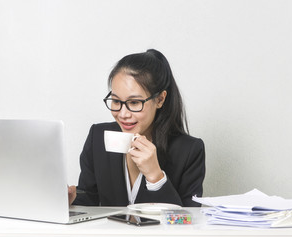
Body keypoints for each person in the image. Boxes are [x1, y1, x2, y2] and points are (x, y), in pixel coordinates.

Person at [68, 49, 205, 207]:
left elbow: (187, 221)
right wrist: (69, 201)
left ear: (160, 99)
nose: (123, 114)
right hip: (110, 232)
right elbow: (89, 198)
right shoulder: (98, 136)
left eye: (134, 103)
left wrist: (156, 176)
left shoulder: (189, 151)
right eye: (116, 101)